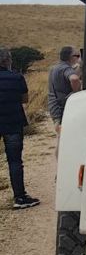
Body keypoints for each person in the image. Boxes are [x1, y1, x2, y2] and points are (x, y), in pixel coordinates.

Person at [0, 48, 40, 209]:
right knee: (15, 161)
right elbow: (25, 99)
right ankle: (20, 197)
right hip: (12, 123)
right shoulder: (17, 77)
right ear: (7, 60)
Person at [47, 46, 81, 137]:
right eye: (77, 56)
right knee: (65, 138)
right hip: (62, 109)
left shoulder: (54, 68)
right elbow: (74, 79)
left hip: (54, 107)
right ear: (70, 57)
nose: (78, 58)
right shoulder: (66, 68)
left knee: (60, 139)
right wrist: (76, 93)